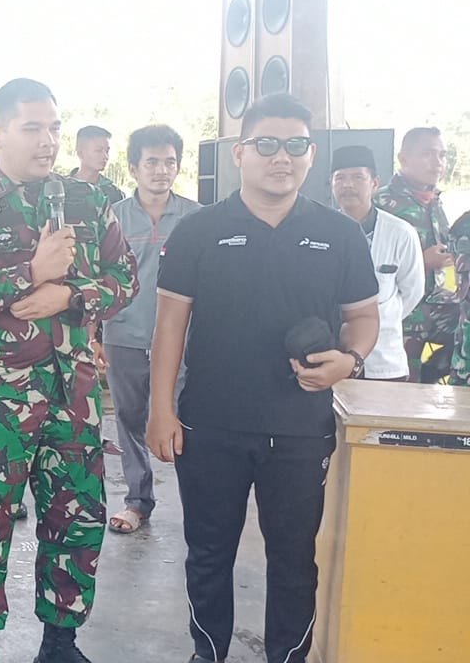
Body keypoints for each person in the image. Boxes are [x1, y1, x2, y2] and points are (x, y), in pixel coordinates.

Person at [147, 94, 379, 663]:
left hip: (300, 428)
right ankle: (208, 653)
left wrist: (350, 360)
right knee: (208, 553)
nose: (283, 157)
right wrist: (160, 409)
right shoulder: (200, 231)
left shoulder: (340, 234)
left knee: (294, 559)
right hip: (210, 424)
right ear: (240, 153)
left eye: (296, 145)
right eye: (267, 144)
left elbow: (364, 317)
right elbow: (170, 326)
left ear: (311, 154)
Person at [0, 78, 137, 663]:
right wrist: (29, 273)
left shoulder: (88, 202)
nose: (48, 141)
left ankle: (60, 642)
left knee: (77, 521)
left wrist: (69, 294)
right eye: (32, 128)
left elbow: (125, 279)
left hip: (74, 396)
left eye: (54, 128)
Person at [102, 124, 199, 534]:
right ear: (133, 168)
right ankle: (137, 501)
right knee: (129, 418)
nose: (162, 170)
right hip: (123, 335)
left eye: (169, 162)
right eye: (152, 162)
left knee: (189, 419)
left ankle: (199, 503)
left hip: (185, 341)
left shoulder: (198, 218)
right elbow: (96, 278)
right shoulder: (113, 218)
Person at [331, 145, 424, 382]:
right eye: (340, 178)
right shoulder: (320, 230)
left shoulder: (400, 233)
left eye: (357, 177)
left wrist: (381, 316)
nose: (348, 185)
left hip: (384, 359)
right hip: (332, 358)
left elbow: (412, 291)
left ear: (374, 183)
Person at [375, 126, 455, 381]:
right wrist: (422, 262)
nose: (437, 162)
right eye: (428, 154)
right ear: (404, 158)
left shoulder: (433, 201)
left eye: (442, 155)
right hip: (398, 310)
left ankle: (436, 371)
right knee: (404, 392)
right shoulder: (382, 204)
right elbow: (368, 263)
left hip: (433, 301)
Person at [71, 125, 125, 204]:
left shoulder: (115, 194)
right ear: (80, 153)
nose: (105, 156)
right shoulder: (64, 188)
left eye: (107, 151)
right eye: (98, 150)